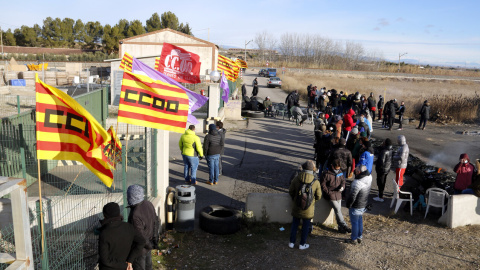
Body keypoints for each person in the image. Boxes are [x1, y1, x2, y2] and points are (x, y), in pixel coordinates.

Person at [98, 202, 145, 270]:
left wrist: (125, 265)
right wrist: (130, 260)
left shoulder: (104, 233)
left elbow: (105, 260)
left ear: (105, 215)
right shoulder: (129, 227)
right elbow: (142, 241)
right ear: (118, 213)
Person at [289, 160, 322, 250]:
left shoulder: (297, 178)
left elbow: (291, 191)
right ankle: (302, 244)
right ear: (313, 169)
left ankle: (291, 242)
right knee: (305, 226)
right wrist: (312, 201)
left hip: (297, 206)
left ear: (303, 168)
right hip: (309, 208)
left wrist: (295, 198)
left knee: (295, 224)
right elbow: (319, 196)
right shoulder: (315, 181)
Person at [127, 185, 157, 270]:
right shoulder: (148, 204)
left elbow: (140, 236)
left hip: (139, 249)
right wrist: (154, 241)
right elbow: (155, 222)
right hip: (149, 243)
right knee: (149, 267)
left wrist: (149, 245)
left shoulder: (135, 215)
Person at [321, 159, 351, 234]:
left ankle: (341, 228)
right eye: (336, 169)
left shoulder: (340, 173)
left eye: (339, 169)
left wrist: (342, 187)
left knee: (338, 211)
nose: (337, 170)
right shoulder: (326, 173)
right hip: (330, 195)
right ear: (332, 166)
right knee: (337, 209)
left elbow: (343, 181)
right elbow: (322, 185)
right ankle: (344, 225)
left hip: (338, 194)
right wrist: (328, 192)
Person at [345, 165, 372, 245]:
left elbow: (352, 196)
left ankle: (353, 239)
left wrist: (348, 205)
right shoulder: (369, 177)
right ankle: (359, 236)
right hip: (363, 203)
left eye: (355, 170)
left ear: (359, 172)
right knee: (359, 221)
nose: (354, 171)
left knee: (354, 223)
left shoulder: (357, 183)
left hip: (356, 205)